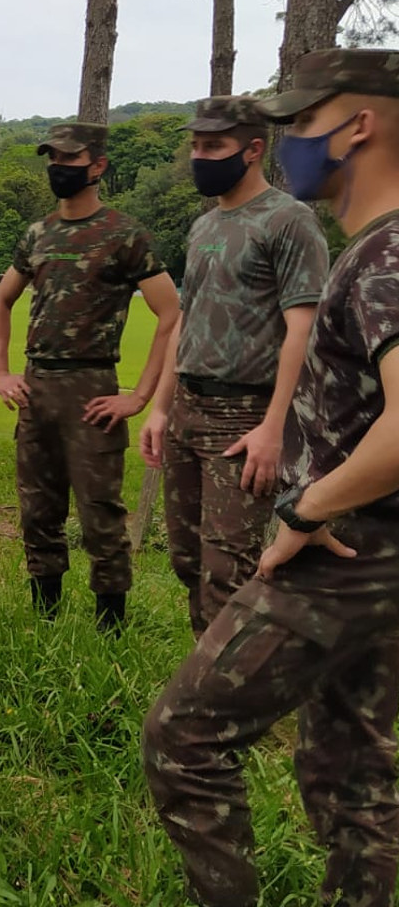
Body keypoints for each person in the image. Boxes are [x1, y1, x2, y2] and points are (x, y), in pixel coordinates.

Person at [143, 48, 399, 907]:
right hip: (372, 555)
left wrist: (306, 503)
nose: (288, 139)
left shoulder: (384, 257)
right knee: (353, 769)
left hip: (347, 549)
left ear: (358, 124)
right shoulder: (369, 249)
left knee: (182, 737)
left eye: (301, 122)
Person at [139, 96, 329, 637]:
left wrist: (273, 428)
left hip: (243, 415)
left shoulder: (289, 221)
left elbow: (302, 329)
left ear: (252, 149)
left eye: (213, 145)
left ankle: (224, 705)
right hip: (187, 410)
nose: (200, 155)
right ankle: (210, 683)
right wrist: (160, 409)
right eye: (196, 144)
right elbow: (185, 321)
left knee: (229, 572)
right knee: (186, 562)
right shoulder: (204, 227)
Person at [0, 122, 180, 630]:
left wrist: (139, 396)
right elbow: (2, 300)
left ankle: (109, 629)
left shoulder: (125, 235)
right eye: (53, 158)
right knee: (38, 512)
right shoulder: (39, 233)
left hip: (93, 389)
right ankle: (44, 620)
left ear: (97, 166)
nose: (58, 168)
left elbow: (171, 313)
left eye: (69, 160)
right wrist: (0, 372)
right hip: (37, 388)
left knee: (100, 516)